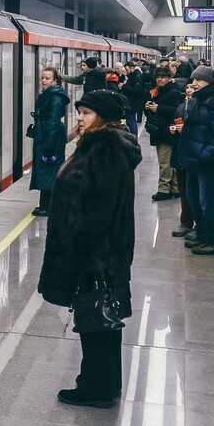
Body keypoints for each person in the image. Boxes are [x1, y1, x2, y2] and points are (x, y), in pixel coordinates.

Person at [38, 89, 141, 407]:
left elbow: (98, 211)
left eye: (86, 113)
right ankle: (106, 383)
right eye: (80, 111)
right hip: (104, 253)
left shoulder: (104, 150)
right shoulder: (105, 145)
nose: (79, 118)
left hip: (94, 255)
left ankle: (95, 388)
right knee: (104, 319)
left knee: (94, 319)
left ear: (104, 117)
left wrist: (86, 260)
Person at [175, 66, 214, 255]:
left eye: (199, 80)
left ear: (209, 81)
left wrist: (205, 155)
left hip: (205, 161)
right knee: (193, 199)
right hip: (192, 160)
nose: (194, 83)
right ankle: (201, 234)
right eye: (193, 80)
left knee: (207, 200)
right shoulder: (196, 100)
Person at [29, 67, 70, 216]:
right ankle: (45, 204)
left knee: (49, 170)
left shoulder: (56, 97)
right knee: (46, 170)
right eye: (42, 78)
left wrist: (49, 145)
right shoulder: (49, 94)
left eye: (47, 78)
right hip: (45, 135)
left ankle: (48, 207)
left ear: (55, 80)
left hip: (50, 138)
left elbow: (53, 120)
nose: (43, 81)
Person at [143, 65, 182, 200]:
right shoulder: (157, 91)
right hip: (159, 130)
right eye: (158, 77)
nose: (159, 80)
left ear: (169, 78)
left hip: (167, 131)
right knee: (168, 161)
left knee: (165, 161)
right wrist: (148, 107)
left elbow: (176, 110)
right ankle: (175, 188)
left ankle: (163, 189)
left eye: (162, 77)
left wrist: (158, 108)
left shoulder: (173, 92)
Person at [167, 80, 201, 239]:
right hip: (181, 152)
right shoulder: (181, 106)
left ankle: (199, 225)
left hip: (195, 154)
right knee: (184, 191)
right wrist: (172, 128)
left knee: (196, 192)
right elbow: (173, 120)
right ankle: (186, 222)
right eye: (187, 87)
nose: (189, 90)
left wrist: (186, 130)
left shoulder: (202, 107)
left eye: (193, 88)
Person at [120, 61, 148, 136]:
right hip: (132, 102)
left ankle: (134, 138)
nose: (126, 72)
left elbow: (136, 91)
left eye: (127, 70)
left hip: (133, 103)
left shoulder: (136, 77)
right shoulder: (133, 76)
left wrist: (124, 86)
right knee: (130, 121)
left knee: (131, 121)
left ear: (132, 68)